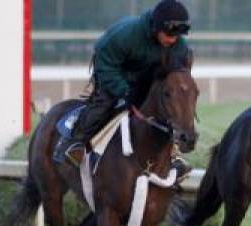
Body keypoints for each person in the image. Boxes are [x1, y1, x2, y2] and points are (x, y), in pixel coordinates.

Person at [53, 0, 192, 179]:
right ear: (156, 27)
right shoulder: (126, 34)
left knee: (168, 108)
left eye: (177, 36)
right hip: (114, 72)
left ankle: (173, 155)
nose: (172, 40)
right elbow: (105, 62)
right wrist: (125, 91)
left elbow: (175, 77)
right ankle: (74, 144)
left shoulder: (178, 45)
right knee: (103, 105)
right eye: (168, 35)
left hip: (146, 78)